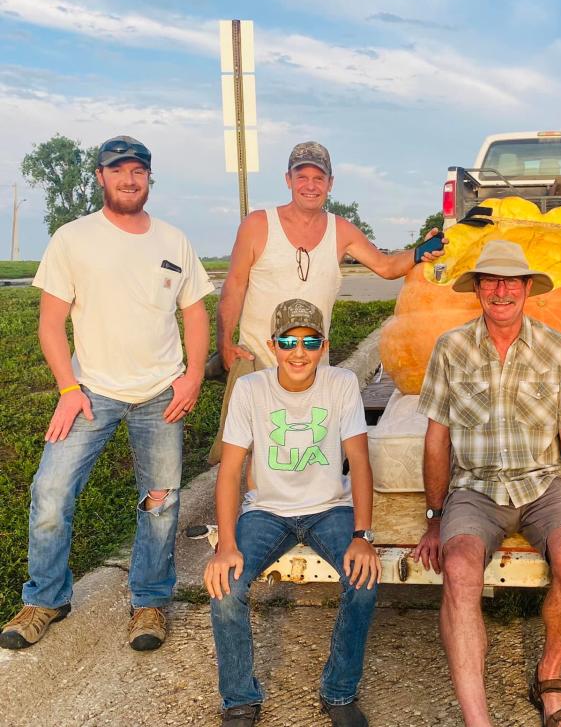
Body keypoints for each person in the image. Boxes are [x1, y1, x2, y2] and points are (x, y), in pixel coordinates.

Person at [0, 136, 213, 652]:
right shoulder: (73, 239)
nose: (129, 179)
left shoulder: (173, 240)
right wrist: (68, 388)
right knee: (50, 493)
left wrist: (193, 376)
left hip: (162, 394)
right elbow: (50, 324)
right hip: (90, 391)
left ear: (148, 178)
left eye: (138, 170)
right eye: (118, 170)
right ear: (100, 177)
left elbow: (195, 311)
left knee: (159, 503)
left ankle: (149, 601)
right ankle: (46, 598)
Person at [413, 240, 561, 727]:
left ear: (528, 289)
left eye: (512, 281)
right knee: (459, 567)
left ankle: (549, 675)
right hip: (475, 488)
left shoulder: (557, 348)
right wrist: (434, 518)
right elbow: (436, 440)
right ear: (478, 289)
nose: (501, 291)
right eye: (491, 281)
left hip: (543, 485)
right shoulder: (451, 348)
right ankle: (477, 720)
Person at [209, 140, 445, 463]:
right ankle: (255, 513)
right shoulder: (258, 225)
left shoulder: (342, 231)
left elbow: (386, 266)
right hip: (260, 365)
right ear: (288, 180)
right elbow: (233, 287)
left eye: (318, 178)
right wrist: (224, 343)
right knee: (255, 463)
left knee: (305, 460)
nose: (310, 185)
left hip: (311, 370)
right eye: (301, 176)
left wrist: (420, 251)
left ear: (330, 184)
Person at [205, 299, 379, 727]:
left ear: (325, 345)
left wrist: (363, 536)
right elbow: (229, 473)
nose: (298, 352)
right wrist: (226, 545)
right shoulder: (251, 390)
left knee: (365, 581)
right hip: (267, 510)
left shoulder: (341, 384)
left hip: (328, 508)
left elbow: (358, 460)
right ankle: (239, 699)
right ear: (272, 345)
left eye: (309, 341)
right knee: (225, 586)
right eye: (287, 341)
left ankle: (339, 692)